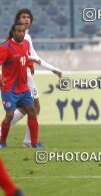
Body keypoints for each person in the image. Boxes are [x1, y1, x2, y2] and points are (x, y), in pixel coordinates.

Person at [0, 9, 62, 147]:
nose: (26, 20)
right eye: (23, 17)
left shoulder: (26, 40)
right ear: (17, 22)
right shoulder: (12, 43)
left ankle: (31, 141)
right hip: (16, 81)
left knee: (31, 109)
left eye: (28, 17)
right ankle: (8, 139)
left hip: (24, 79)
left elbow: (30, 56)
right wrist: (53, 69)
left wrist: (31, 63)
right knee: (27, 109)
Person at [0, 21, 43, 148]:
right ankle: (2, 142)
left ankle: (34, 143)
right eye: (19, 31)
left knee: (32, 111)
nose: (21, 33)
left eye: (23, 31)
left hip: (23, 88)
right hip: (9, 88)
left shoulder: (25, 44)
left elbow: (26, 57)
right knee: (10, 115)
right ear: (13, 32)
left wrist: (31, 65)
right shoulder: (6, 47)